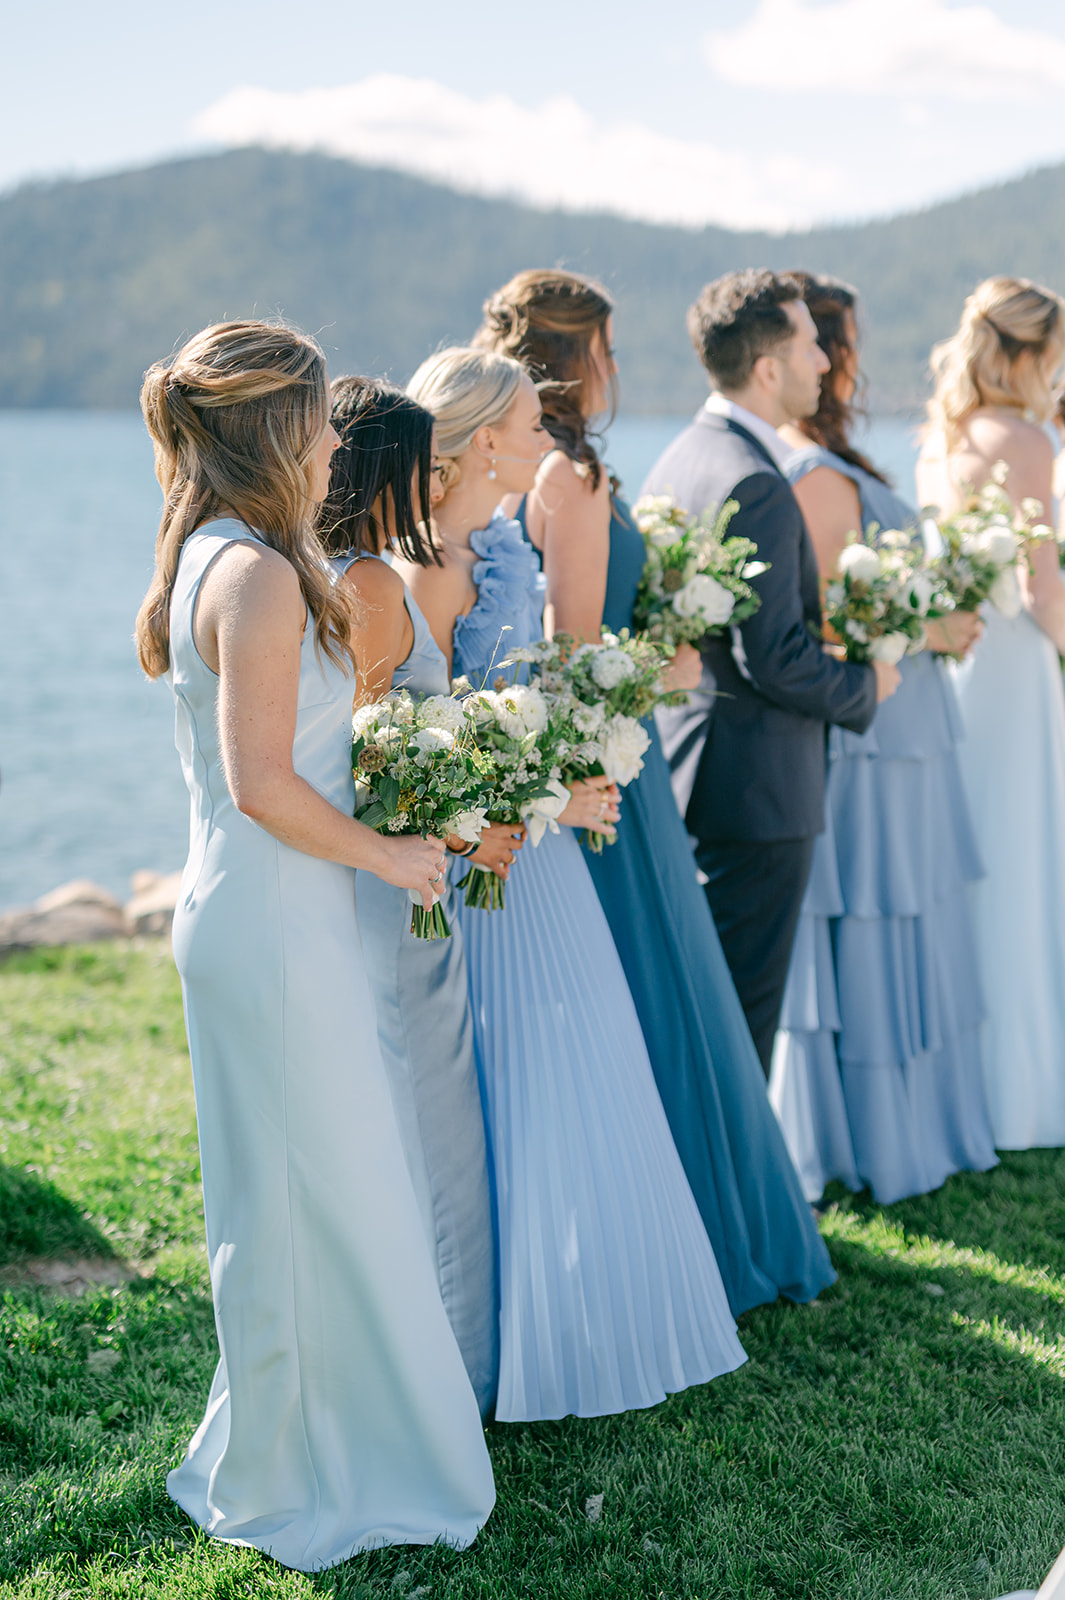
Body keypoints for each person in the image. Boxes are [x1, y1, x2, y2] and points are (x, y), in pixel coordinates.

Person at [134, 322, 494, 1569]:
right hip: (275, 917)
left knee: (303, 1193)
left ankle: (302, 1440)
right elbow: (264, 785)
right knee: (321, 1194)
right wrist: (394, 855)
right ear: (279, 431)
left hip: (264, 913)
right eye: (323, 420)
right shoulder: (259, 576)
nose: (341, 439)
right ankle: (324, 1467)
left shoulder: (217, 557)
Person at [474, 266, 835, 1315]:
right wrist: (664, 665)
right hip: (602, 780)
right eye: (610, 347)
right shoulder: (570, 478)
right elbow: (573, 658)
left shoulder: (524, 468)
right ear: (577, 358)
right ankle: (694, 1239)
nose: (619, 367)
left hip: (580, 767)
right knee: (660, 1001)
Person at [398, 345, 747, 1423]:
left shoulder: (501, 540)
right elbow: (410, 742)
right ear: (482, 438)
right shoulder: (420, 569)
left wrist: (570, 766)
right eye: (532, 423)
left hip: (542, 856)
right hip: (483, 867)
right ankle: (515, 1328)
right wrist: (522, 803)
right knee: (508, 1087)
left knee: (591, 1056)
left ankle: (598, 1311)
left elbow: (523, 694)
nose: (551, 439)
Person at [769, 272, 997, 1203]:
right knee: (872, 916)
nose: (845, 359)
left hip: (907, 728)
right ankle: (870, 1134)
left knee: (907, 914)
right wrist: (932, 628)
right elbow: (824, 625)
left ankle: (913, 1115)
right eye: (839, 340)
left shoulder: (836, 459)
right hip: (874, 738)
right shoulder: (817, 475)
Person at [642, 269, 900, 1077]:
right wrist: (868, 686)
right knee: (742, 1022)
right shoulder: (753, 480)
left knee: (709, 1007)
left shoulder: (679, 458)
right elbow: (775, 657)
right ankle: (736, 1200)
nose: (825, 362)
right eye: (809, 345)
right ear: (767, 368)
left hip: (702, 772)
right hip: (756, 789)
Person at [320, 375, 514, 1416]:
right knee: (437, 1128)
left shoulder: (331, 572)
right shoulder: (373, 586)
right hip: (404, 892)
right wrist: (459, 811)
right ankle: (455, 1376)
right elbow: (361, 756)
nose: (431, 480)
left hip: (384, 883)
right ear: (382, 472)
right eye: (419, 461)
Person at [917, 275, 1065, 1151]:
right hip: (1014, 663)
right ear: (1023, 353)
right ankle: (1026, 1089)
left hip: (964, 669)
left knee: (982, 857)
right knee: (1025, 857)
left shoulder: (944, 436)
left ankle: (971, 1082)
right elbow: (1043, 590)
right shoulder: (1026, 439)